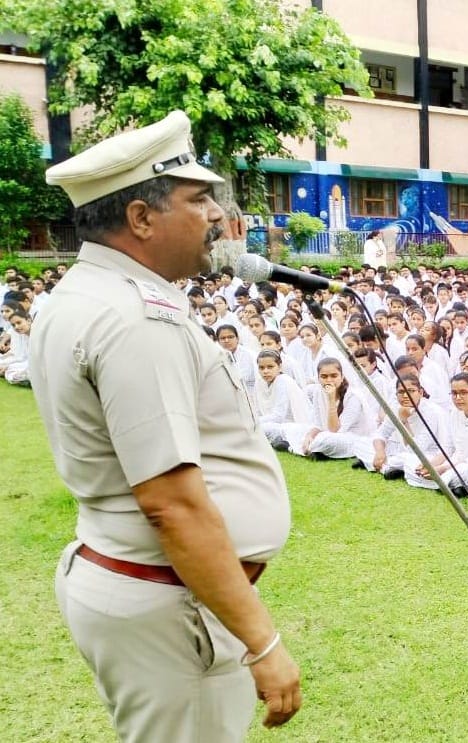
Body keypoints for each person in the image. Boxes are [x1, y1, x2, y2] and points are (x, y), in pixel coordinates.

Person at [34, 110, 301, 741]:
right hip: (167, 605)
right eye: (199, 198)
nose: (216, 215)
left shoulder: (85, 294)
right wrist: (262, 643)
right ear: (141, 218)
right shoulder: (134, 321)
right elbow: (173, 505)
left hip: (140, 587)